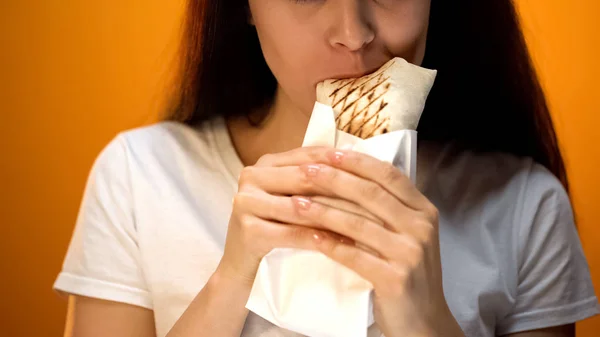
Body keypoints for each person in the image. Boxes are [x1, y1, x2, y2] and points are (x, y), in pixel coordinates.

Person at [53, 0, 599, 336]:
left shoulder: (525, 204)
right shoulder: (139, 176)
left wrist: (424, 320)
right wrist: (230, 280)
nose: (353, 32)